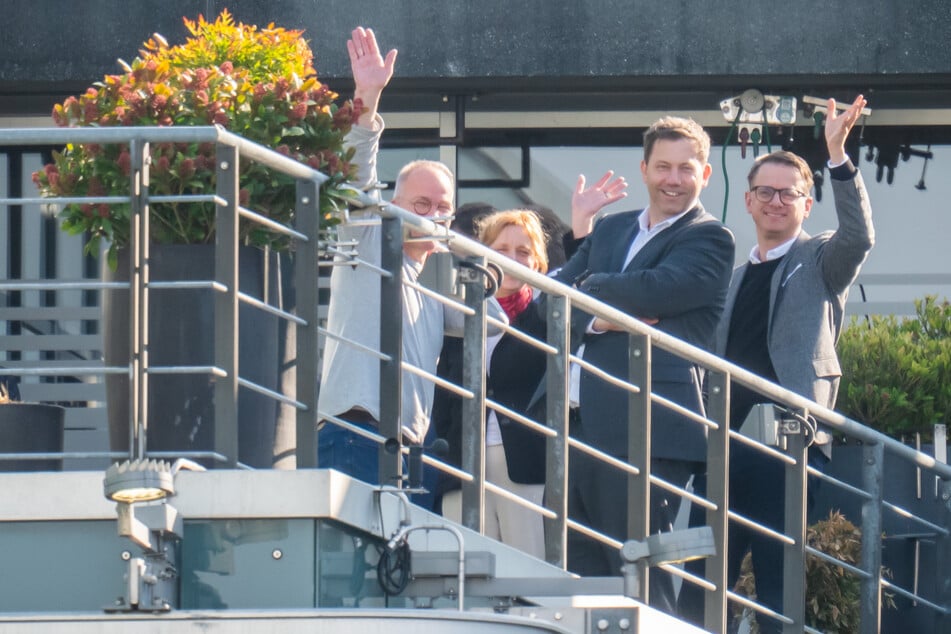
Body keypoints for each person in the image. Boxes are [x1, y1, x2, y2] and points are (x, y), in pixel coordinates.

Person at [552, 116, 735, 616]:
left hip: (648, 427)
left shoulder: (711, 238)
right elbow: (557, 294)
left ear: (705, 174)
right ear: (645, 169)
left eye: (685, 168)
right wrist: (606, 316)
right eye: (663, 167)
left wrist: (591, 290)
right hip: (576, 421)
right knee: (580, 575)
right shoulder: (612, 227)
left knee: (637, 574)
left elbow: (658, 289)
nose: (673, 179)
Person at [712, 95, 873, 633]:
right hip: (723, 440)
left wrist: (837, 155)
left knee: (781, 586)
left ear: (807, 203)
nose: (776, 201)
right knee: (711, 579)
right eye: (766, 192)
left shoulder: (822, 259)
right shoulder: (731, 278)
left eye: (790, 193)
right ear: (750, 203)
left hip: (789, 442)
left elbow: (860, 236)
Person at [317, 27, 504, 486]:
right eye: (421, 205)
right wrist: (367, 97)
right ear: (393, 206)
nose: (433, 216)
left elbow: (492, 323)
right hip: (355, 433)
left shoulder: (431, 292)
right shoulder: (367, 242)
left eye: (443, 209)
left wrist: (469, 259)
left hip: (408, 445)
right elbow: (355, 179)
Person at [435, 209, 552, 556]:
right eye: (501, 251)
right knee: (465, 569)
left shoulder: (547, 320)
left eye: (522, 252)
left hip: (524, 462)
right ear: (483, 258)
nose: (512, 260)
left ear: (538, 264)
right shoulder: (460, 313)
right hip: (461, 458)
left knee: (528, 567)